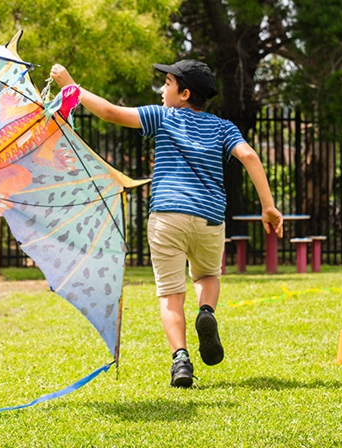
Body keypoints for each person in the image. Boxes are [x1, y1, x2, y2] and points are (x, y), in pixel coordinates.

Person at [50, 60, 283, 388]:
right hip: (209, 218)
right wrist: (269, 207)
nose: (162, 89)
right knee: (206, 275)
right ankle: (206, 312)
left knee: (171, 295)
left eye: (168, 83)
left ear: (184, 94)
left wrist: (70, 84)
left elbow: (110, 112)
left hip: (167, 216)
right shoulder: (224, 127)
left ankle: (181, 360)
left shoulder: (163, 116)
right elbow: (249, 157)